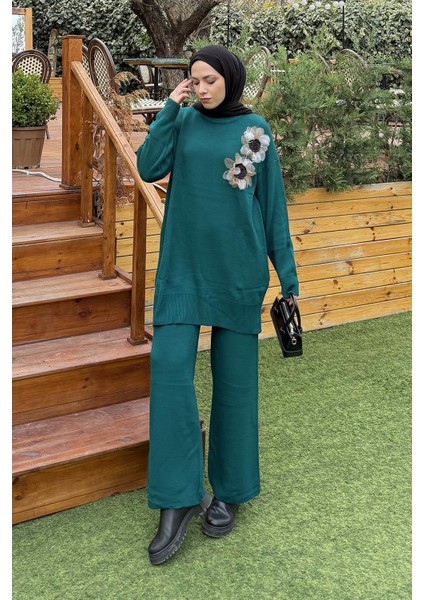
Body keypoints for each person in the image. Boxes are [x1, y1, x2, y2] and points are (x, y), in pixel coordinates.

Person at [136, 44, 299, 566]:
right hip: (183, 271)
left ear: (230, 78)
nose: (202, 88)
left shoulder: (254, 130)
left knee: (235, 386)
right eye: (195, 79)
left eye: (210, 79)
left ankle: (230, 491)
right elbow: (147, 166)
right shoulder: (182, 122)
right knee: (168, 374)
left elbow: (270, 206)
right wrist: (170, 106)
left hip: (237, 273)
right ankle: (179, 497)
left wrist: (288, 276)